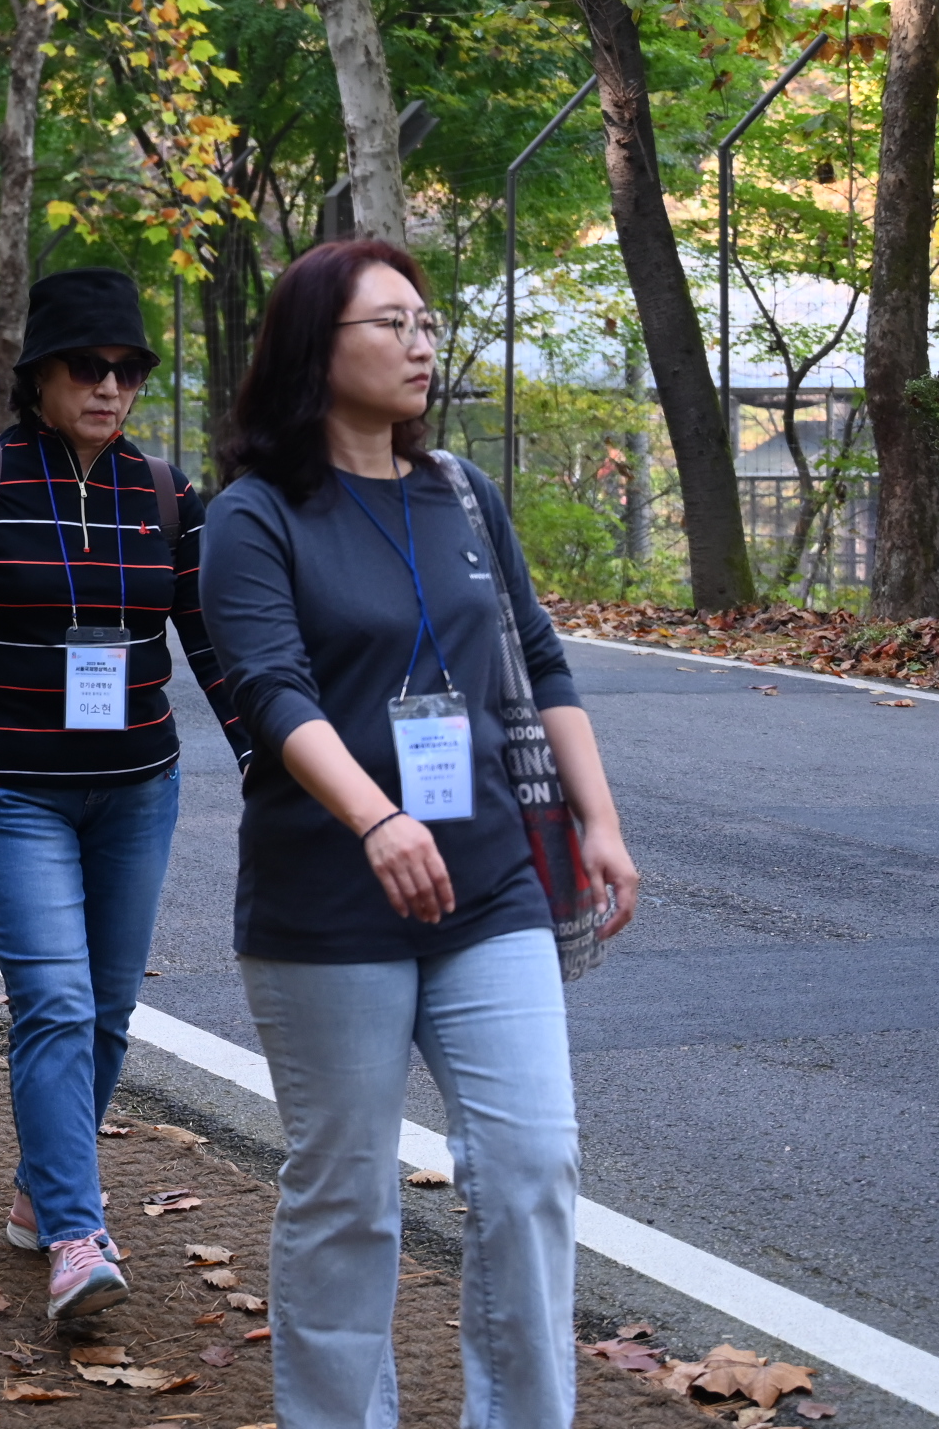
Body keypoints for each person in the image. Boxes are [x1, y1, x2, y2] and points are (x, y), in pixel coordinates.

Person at [198, 239, 639, 1429]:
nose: (421, 343)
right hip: (330, 900)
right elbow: (272, 691)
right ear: (317, 347)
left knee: (534, 1166)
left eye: (426, 322)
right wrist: (377, 817)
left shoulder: (460, 494)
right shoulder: (252, 516)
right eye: (390, 323)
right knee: (347, 1193)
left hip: (491, 881)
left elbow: (537, 656)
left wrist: (599, 820)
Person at [0, 268, 251, 1321]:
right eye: (88, 367)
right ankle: (78, 1235)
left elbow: (208, 643)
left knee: (109, 1013)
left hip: (138, 789)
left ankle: (42, 1192)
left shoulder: (164, 495)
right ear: (39, 374)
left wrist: (266, 759)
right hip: (13, 787)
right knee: (57, 1004)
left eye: (128, 370)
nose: (110, 386)